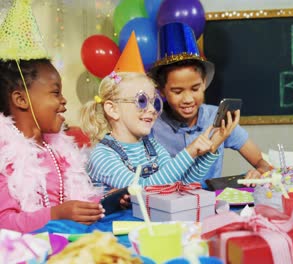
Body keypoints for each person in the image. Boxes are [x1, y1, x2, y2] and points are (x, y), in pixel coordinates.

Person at [0, 0, 108, 233]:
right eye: (55, 92)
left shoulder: (57, 149)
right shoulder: (4, 156)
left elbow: (74, 202)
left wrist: (103, 204)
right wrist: (56, 214)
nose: (64, 100)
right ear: (21, 100)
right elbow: (4, 222)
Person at [82, 32, 239, 189]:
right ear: (113, 109)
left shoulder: (152, 147)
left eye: (155, 103)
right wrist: (189, 152)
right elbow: (143, 189)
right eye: (142, 101)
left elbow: (181, 183)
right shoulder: (102, 156)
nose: (152, 110)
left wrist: (212, 145)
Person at [148, 22, 271, 188]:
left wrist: (260, 172)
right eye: (177, 91)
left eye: (195, 88)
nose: (188, 99)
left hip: (212, 208)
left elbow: (261, 162)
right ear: (162, 91)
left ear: (204, 83)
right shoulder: (152, 127)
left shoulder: (218, 118)